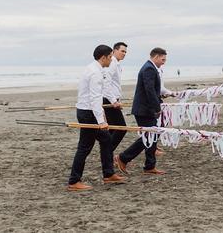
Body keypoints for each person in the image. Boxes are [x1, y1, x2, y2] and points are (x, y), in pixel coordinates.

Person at [67, 45, 125, 191]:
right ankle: (74, 181)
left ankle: (108, 174)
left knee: (106, 141)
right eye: (110, 57)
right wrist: (102, 121)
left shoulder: (98, 69)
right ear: (103, 57)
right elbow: (95, 98)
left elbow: (105, 88)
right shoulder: (95, 73)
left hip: (89, 111)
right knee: (84, 147)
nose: (112, 59)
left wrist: (113, 102)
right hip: (88, 113)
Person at [116, 47, 167, 175]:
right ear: (156, 57)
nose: (164, 62)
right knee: (148, 137)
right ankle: (122, 158)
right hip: (144, 109)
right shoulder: (149, 68)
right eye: (163, 59)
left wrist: (160, 98)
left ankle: (150, 166)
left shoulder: (150, 67)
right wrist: (157, 107)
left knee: (152, 136)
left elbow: (153, 90)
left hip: (146, 108)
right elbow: (149, 90)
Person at [103, 42, 128, 162]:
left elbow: (114, 85)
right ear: (114, 51)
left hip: (113, 99)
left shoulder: (117, 64)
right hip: (108, 100)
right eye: (122, 51)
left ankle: (107, 156)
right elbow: (106, 84)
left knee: (113, 130)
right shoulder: (112, 63)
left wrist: (118, 99)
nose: (124, 54)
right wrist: (113, 101)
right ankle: (106, 155)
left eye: (125, 52)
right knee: (121, 128)